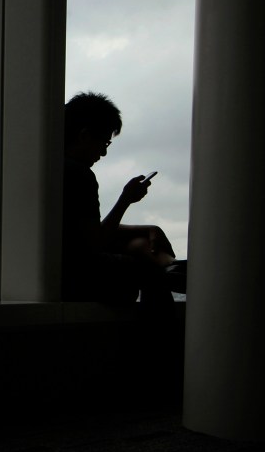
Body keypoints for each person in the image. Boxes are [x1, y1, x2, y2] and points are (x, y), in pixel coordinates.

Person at [62, 91, 186, 307]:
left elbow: (80, 232)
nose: (103, 153)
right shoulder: (78, 174)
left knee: (137, 243)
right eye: (105, 143)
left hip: (55, 271)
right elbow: (93, 242)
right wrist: (125, 200)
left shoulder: (50, 167)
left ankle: (171, 268)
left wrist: (143, 228)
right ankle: (171, 275)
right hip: (73, 278)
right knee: (144, 268)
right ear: (84, 136)